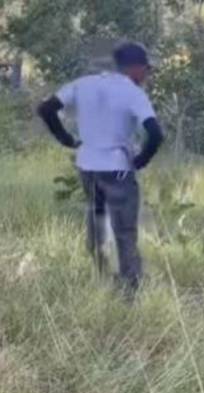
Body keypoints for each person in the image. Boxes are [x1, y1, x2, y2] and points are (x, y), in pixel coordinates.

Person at [37, 42, 164, 299]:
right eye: (146, 70)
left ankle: (101, 279)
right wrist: (140, 160)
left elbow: (46, 109)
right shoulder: (133, 93)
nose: (147, 75)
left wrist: (66, 139)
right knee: (125, 231)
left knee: (96, 220)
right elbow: (156, 133)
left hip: (87, 166)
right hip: (118, 169)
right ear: (136, 68)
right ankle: (130, 291)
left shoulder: (84, 84)